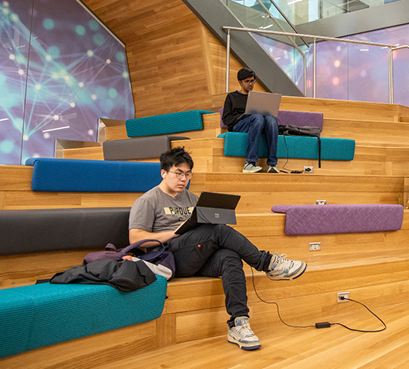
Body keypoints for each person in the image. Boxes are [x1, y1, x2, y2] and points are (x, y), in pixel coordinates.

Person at [128, 147, 306, 351]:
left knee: (230, 257)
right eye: (178, 173)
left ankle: (239, 323)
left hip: (196, 255)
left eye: (187, 174)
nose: (183, 179)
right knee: (218, 230)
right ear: (164, 172)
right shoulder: (148, 200)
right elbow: (135, 238)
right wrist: (174, 232)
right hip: (171, 257)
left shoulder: (192, 198)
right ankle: (267, 263)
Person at [222, 67, 279, 173]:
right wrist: (244, 115)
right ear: (240, 82)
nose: (250, 84)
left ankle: (272, 164)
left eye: (252, 81)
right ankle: (250, 163)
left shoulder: (257, 97)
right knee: (257, 118)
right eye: (247, 81)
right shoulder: (232, 97)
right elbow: (226, 119)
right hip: (239, 125)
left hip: (258, 124)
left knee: (272, 120)